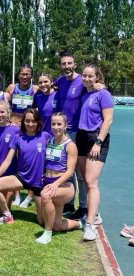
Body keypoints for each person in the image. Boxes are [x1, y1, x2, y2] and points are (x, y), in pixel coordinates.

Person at [0, 108, 50, 225]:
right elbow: (7, 160)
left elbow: (53, 157)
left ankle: (78, 223)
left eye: (33, 121)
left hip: (39, 183)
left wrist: (49, 175)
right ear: (23, 122)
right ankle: (7, 215)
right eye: (27, 121)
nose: (30, 124)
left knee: (42, 221)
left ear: (38, 122)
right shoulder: (18, 138)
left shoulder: (45, 136)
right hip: (21, 178)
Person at [76, 64, 113, 241]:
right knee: (83, 178)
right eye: (84, 76)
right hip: (82, 137)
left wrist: (98, 142)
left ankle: (90, 225)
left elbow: (108, 120)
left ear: (97, 77)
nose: (87, 79)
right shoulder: (85, 93)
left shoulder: (103, 94)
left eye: (91, 76)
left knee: (91, 182)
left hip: (96, 139)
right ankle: (94, 214)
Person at [35, 112, 83, 244]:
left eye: (59, 124)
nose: (56, 127)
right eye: (53, 124)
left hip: (64, 185)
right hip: (47, 181)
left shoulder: (70, 145)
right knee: (49, 223)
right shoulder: (49, 140)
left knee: (46, 195)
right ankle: (79, 224)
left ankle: (47, 234)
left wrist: (56, 184)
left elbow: (70, 171)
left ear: (65, 125)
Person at [54, 52, 88, 217]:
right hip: (64, 132)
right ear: (60, 66)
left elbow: (95, 86)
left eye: (69, 63)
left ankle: (83, 207)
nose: (66, 66)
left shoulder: (82, 80)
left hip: (78, 132)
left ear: (75, 65)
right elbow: (48, 86)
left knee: (80, 172)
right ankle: (69, 203)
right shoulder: (59, 81)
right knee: (67, 169)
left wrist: (100, 85)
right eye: (63, 64)